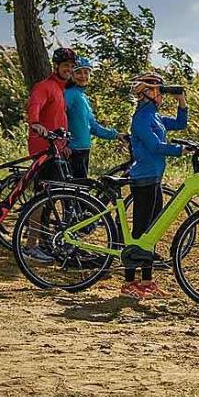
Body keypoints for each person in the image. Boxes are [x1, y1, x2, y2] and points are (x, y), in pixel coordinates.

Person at [120, 72, 188, 299]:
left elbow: (180, 123)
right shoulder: (141, 118)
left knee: (151, 232)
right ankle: (129, 281)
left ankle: (147, 281)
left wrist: (182, 101)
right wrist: (179, 150)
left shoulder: (155, 116)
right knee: (140, 231)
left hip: (155, 178)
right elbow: (155, 146)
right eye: (158, 89)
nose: (162, 93)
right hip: (143, 179)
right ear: (146, 92)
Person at [22, 47, 76, 262]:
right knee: (43, 198)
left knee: (51, 196)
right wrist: (35, 123)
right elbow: (34, 105)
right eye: (66, 66)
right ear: (56, 66)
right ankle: (30, 246)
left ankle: (42, 240)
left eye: (71, 67)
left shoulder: (60, 89)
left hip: (54, 149)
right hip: (42, 148)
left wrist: (62, 146)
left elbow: (57, 121)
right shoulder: (45, 86)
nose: (69, 70)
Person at [64, 57, 125, 178]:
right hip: (71, 151)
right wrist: (62, 144)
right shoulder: (69, 94)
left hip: (83, 149)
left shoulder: (83, 97)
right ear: (71, 75)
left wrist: (116, 135)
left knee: (80, 192)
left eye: (86, 72)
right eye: (78, 72)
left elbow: (93, 126)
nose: (83, 76)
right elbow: (58, 117)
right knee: (75, 193)